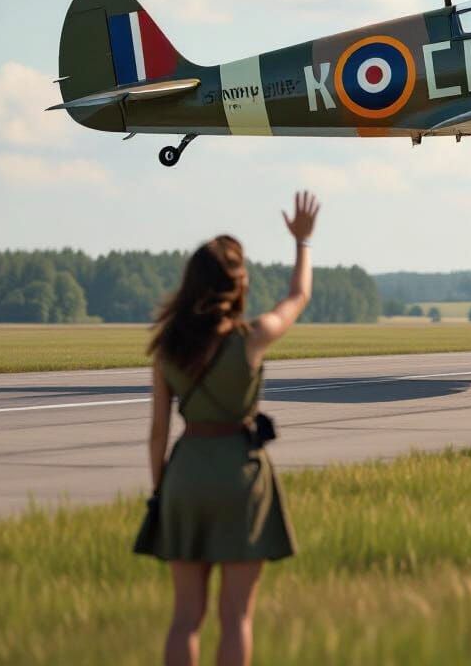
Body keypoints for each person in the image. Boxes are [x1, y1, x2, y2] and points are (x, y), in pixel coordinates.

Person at [135, 191, 320, 666]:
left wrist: (161, 494)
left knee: (185, 618)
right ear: (236, 285)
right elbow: (297, 297)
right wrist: (302, 243)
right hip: (240, 474)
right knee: (236, 616)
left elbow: (157, 434)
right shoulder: (250, 340)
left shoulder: (167, 348)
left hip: (186, 476)